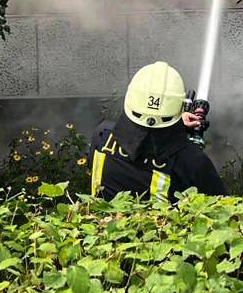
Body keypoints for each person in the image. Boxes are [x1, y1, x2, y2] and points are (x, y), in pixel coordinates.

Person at [88, 61, 226, 201]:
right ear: (181, 105)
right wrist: (174, 130)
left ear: (130, 97)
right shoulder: (191, 161)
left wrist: (175, 129)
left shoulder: (101, 136)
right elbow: (224, 209)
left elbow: (138, 145)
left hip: (100, 221)